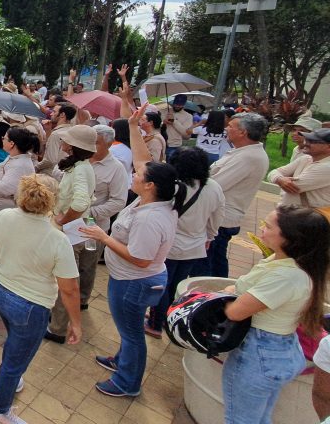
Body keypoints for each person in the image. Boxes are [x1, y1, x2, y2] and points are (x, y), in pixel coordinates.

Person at [82, 106, 179, 398]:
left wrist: (103, 237)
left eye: (137, 176)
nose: (133, 176)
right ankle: (121, 361)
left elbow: (140, 257)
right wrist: (134, 125)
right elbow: (142, 159)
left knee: (132, 333)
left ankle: (128, 382)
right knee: (130, 329)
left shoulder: (150, 218)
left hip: (134, 281)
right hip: (134, 280)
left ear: (150, 185)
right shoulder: (154, 199)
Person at [0, 174, 82, 424]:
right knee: (15, 361)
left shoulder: (3, 216)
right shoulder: (57, 239)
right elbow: (68, 289)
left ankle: (12, 379)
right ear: (53, 202)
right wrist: (76, 323)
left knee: (14, 343)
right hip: (30, 306)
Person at [222, 205, 329, 424]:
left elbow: (236, 312)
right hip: (279, 349)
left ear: (290, 239)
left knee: (241, 420)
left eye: (269, 226)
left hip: (259, 354)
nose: (262, 229)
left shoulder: (286, 276)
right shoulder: (293, 263)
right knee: (259, 418)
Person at [144, 147, 224, 338]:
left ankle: (155, 323)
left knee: (161, 284)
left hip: (169, 245)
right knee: (177, 284)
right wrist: (210, 237)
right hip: (195, 245)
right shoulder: (213, 187)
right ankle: (167, 318)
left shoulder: (174, 186)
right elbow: (217, 217)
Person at [44, 125, 97, 344]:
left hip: (70, 228)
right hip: (74, 226)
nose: (63, 143)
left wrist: (62, 219)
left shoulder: (81, 170)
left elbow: (80, 202)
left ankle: (57, 327)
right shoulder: (80, 167)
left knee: (63, 278)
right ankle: (58, 320)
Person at [204, 113, 270, 278]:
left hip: (222, 219)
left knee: (210, 263)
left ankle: (212, 295)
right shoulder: (242, 152)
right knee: (214, 259)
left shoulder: (248, 157)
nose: (226, 128)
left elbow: (215, 183)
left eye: (231, 126)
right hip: (220, 216)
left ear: (243, 132)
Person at [0, 126, 38, 288]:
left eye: (5, 138)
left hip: (3, 210)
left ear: (12, 143)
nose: (2, 139)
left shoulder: (19, 164)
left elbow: (6, 188)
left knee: (1, 250)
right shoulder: (13, 158)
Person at [267, 128, 330, 209]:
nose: (306, 143)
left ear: (328, 147)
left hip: (310, 217)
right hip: (295, 213)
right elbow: (273, 172)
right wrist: (279, 179)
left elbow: (292, 187)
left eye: (312, 141)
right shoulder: (306, 158)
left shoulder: (326, 167)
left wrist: (279, 179)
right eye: (307, 139)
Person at [36, 104, 76, 175]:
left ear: (62, 114)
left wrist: (35, 167)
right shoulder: (73, 131)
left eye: (54, 112)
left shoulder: (56, 134)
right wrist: (48, 130)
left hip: (50, 174)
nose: (51, 114)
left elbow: (50, 160)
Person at [164, 94, 194, 160]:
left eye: (180, 105)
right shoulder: (166, 111)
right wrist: (163, 123)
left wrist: (174, 121)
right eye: (176, 104)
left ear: (184, 105)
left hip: (174, 145)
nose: (177, 106)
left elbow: (186, 134)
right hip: (162, 144)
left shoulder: (188, 116)